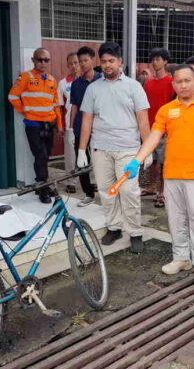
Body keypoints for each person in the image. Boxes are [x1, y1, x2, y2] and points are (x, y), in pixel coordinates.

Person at [123, 64, 194, 288]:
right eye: (178, 81)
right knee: (176, 219)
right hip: (172, 175)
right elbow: (153, 136)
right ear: (173, 84)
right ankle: (181, 258)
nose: (183, 85)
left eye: (187, 80)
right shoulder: (166, 110)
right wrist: (137, 160)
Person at [76, 42, 152, 253]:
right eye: (104, 61)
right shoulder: (93, 89)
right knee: (107, 192)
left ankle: (135, 232)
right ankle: (114, 227)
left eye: (111, 61)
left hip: (128, 150)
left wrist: (148, 150)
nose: (107, 65)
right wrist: (82, 149)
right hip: (101, 149)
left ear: (120, 62)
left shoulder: (134, 87)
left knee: (128, 191)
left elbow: (143, 120)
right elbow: (87, 121)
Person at [8, 48, 63, 203]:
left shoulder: (52, 80)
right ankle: (43, 187)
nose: (43, 63)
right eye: (40, 59)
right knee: (40, 156)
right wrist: (26, 111)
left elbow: (56, 105)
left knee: (45, 156)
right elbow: (12, 96)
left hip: (49, 124)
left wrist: (59, 125)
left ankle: (43, 184)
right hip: (33, 125)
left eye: (46, 60)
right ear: (33, 60)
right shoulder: (25, 77)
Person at [142, 48, 175, 208]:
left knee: (163, 162)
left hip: (165, 128)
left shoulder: (171, 82)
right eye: (153, 59)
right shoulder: (148, 83)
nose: (155, 62)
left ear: (165, 61)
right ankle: (151, 187)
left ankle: (162, 192)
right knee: (151, 160)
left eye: (158, 59)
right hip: (149, 128)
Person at [69, 46, 99, 207]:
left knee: (102, 162)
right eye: (80, 61)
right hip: (81, 127)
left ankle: (109, 193)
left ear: (93, 60)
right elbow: (74, 106)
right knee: (81, 162)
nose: (83, 64)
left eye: (85, 60)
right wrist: (71, 128)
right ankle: (88, 194)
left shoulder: (102, 80)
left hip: (100, 129)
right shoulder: (76, 84)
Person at [58, 52, 80, 193]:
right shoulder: (63, 83)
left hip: (86, 123)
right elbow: (60, 106)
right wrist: (60, 126)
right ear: (67, 65)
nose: (73, 66)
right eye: (70, 63)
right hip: (69, 125)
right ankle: (71, 181)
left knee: (89, 154)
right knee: (71, 155)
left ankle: (89, 180)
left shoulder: (87, 80)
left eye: (76, 63)